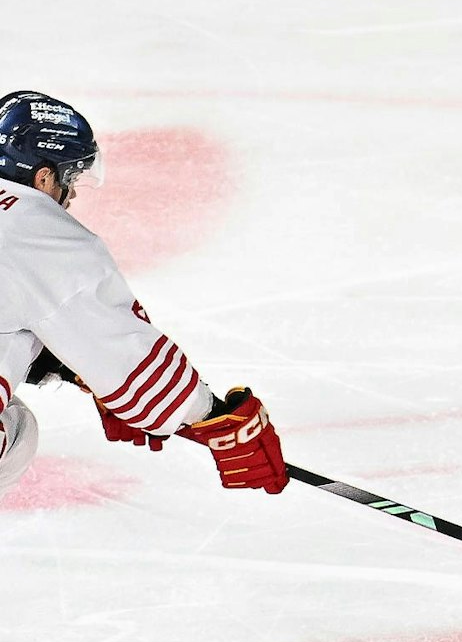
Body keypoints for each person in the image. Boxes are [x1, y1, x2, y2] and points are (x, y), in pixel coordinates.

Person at [0, 91, 288, 501]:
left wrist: (63, 362)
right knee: (19, 432)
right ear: (43, 177)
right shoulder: (38, 231)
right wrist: (216, 418)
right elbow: (130, 362)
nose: (73, 194)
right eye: (69, 178)